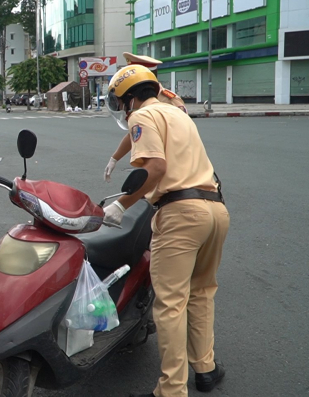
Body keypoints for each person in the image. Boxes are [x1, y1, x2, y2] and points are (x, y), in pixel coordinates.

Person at [102, 65, 229, 397]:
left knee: (171, 303)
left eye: (121, 102)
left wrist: (121, 206)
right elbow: (138, 133)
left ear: (129, 99)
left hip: (180, 214)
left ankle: (172, 390)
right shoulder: (177, 112)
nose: (123, 110)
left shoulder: (141, 117)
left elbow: (155, 166)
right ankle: (205, 369)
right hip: (214, 209)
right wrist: (117, 156)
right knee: (202, 292)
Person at [104, 53, 188, 183]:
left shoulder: (169, 100)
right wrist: (114, 159)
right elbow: (134, 133)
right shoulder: (134, 99)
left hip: (171, 171)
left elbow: (182, 139)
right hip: (151, 164)